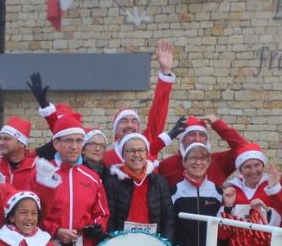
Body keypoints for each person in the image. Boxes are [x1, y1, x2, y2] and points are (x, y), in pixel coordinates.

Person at [28, 40, 175, 165]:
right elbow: (66, 131)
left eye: (134, 121)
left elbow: (158, 114)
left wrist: (166, 73)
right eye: (124, 121)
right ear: (115, 129)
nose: (130, 125)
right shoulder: (103, 157)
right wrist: (46, 108)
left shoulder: (146, 146)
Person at [35, 114, 110, 246]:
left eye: (79, 141)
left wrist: (97, 227)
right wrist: (55, 230)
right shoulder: (42, 174)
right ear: (56, 143)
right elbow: (29, 215)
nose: (74, 146)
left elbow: (102, 213)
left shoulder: (92, 177)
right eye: (69, 140)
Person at [104, 133, 175, 240]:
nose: (136, 155)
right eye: (131, 151)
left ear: (146, 153)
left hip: (154, 242)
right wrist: (113, 242)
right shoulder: (112, 182)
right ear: (123, 155)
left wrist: (165, 243)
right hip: (122, 242)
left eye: (141, 150)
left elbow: (168, 217)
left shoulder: (159, 182)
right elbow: (109, 219)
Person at [156, 114, 248, 188]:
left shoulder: (219, 161)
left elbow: (245, 149)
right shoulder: (166, 165)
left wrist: (218, 125)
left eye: (201, 135)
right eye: (192, 134)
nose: (197, 139)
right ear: (183, 140)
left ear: (206, 139)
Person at [170, 142, 223, 246]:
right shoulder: (174, 192)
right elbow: (169, 226)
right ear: (185, 162)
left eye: (203, 158)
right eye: (193, 158)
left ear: (208, 163)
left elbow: (223, 227)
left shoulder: (217, 192)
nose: (198, 162)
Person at [0, 116, 40, 190]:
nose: (1, 143)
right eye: (0, 138)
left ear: (22, 143)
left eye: (6, 139)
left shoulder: (35, 169)